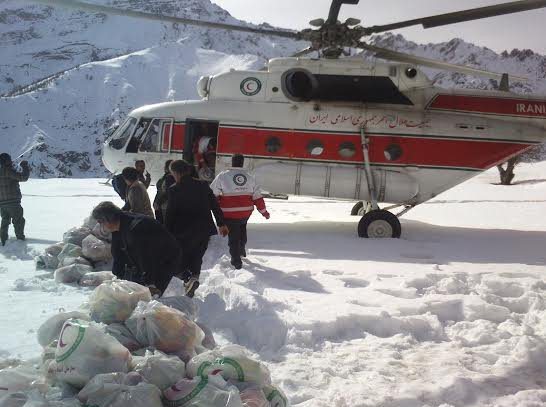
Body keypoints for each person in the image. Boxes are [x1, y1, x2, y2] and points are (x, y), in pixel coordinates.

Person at [165, 159, 228, 298]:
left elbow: (170, 213)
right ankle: (191, 284)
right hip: (204, 231)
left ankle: (188, 280)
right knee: (196, 258)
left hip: (183, 232)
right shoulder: (203, 185)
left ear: (175, 173)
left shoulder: (174, 189)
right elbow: (215, 206)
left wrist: (166, 233)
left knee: (178, 261)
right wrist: (221, 224)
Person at [91, 201, 180, 294]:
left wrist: (150, 283)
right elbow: (117, 252)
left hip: (165, 258)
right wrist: (118, 275)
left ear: (108, 219)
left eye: (101, 222)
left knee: (150, 295)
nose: (101, 226)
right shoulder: (118, 224)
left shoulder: (136, 228)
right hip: (146, 259)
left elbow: (146, 257)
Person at [211, 154, 270, 269]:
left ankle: (236, 261)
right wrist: (264, 212)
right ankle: (241, 250)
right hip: (245, 213)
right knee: (242, 230)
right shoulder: (250, 177)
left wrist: (215, 206)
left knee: (233, 236)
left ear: (232, 163)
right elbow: (257, 197)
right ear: (242, 163)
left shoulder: (222, 176)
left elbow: (213, 195)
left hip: (229, 213)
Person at [0, 154, 30, 246]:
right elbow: (23, 178)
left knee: (5, 221)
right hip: (13, 202)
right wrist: (25, 166)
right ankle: (20, 240)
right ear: (7, 161)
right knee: (18, 221)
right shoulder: (8, 171)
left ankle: (3, 240)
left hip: (2, 203)